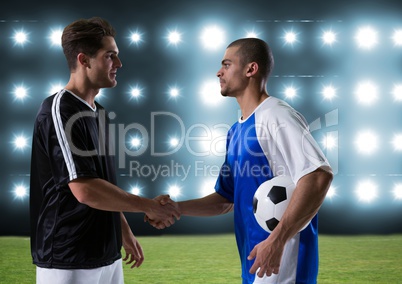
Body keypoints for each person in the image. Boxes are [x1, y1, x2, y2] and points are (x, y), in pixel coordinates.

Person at [149, 38, 333, 284]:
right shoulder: (236, 130)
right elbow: (226, 199)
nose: (218, 72)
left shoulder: (276, 115)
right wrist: (176, 209)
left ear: (251, 69)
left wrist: (276, 242)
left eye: (226, 65)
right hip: (255, 261)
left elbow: (319, 175)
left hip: (283, 263)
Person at [29, 17, 180, 284]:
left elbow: (103, 184)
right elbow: (85, 189)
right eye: (110, 56)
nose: (119, 64)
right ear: (84, 60)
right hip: (68, 258)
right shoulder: (59, 109)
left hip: (107, 256)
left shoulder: (100, 114)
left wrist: (123, 232)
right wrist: (148, 206)